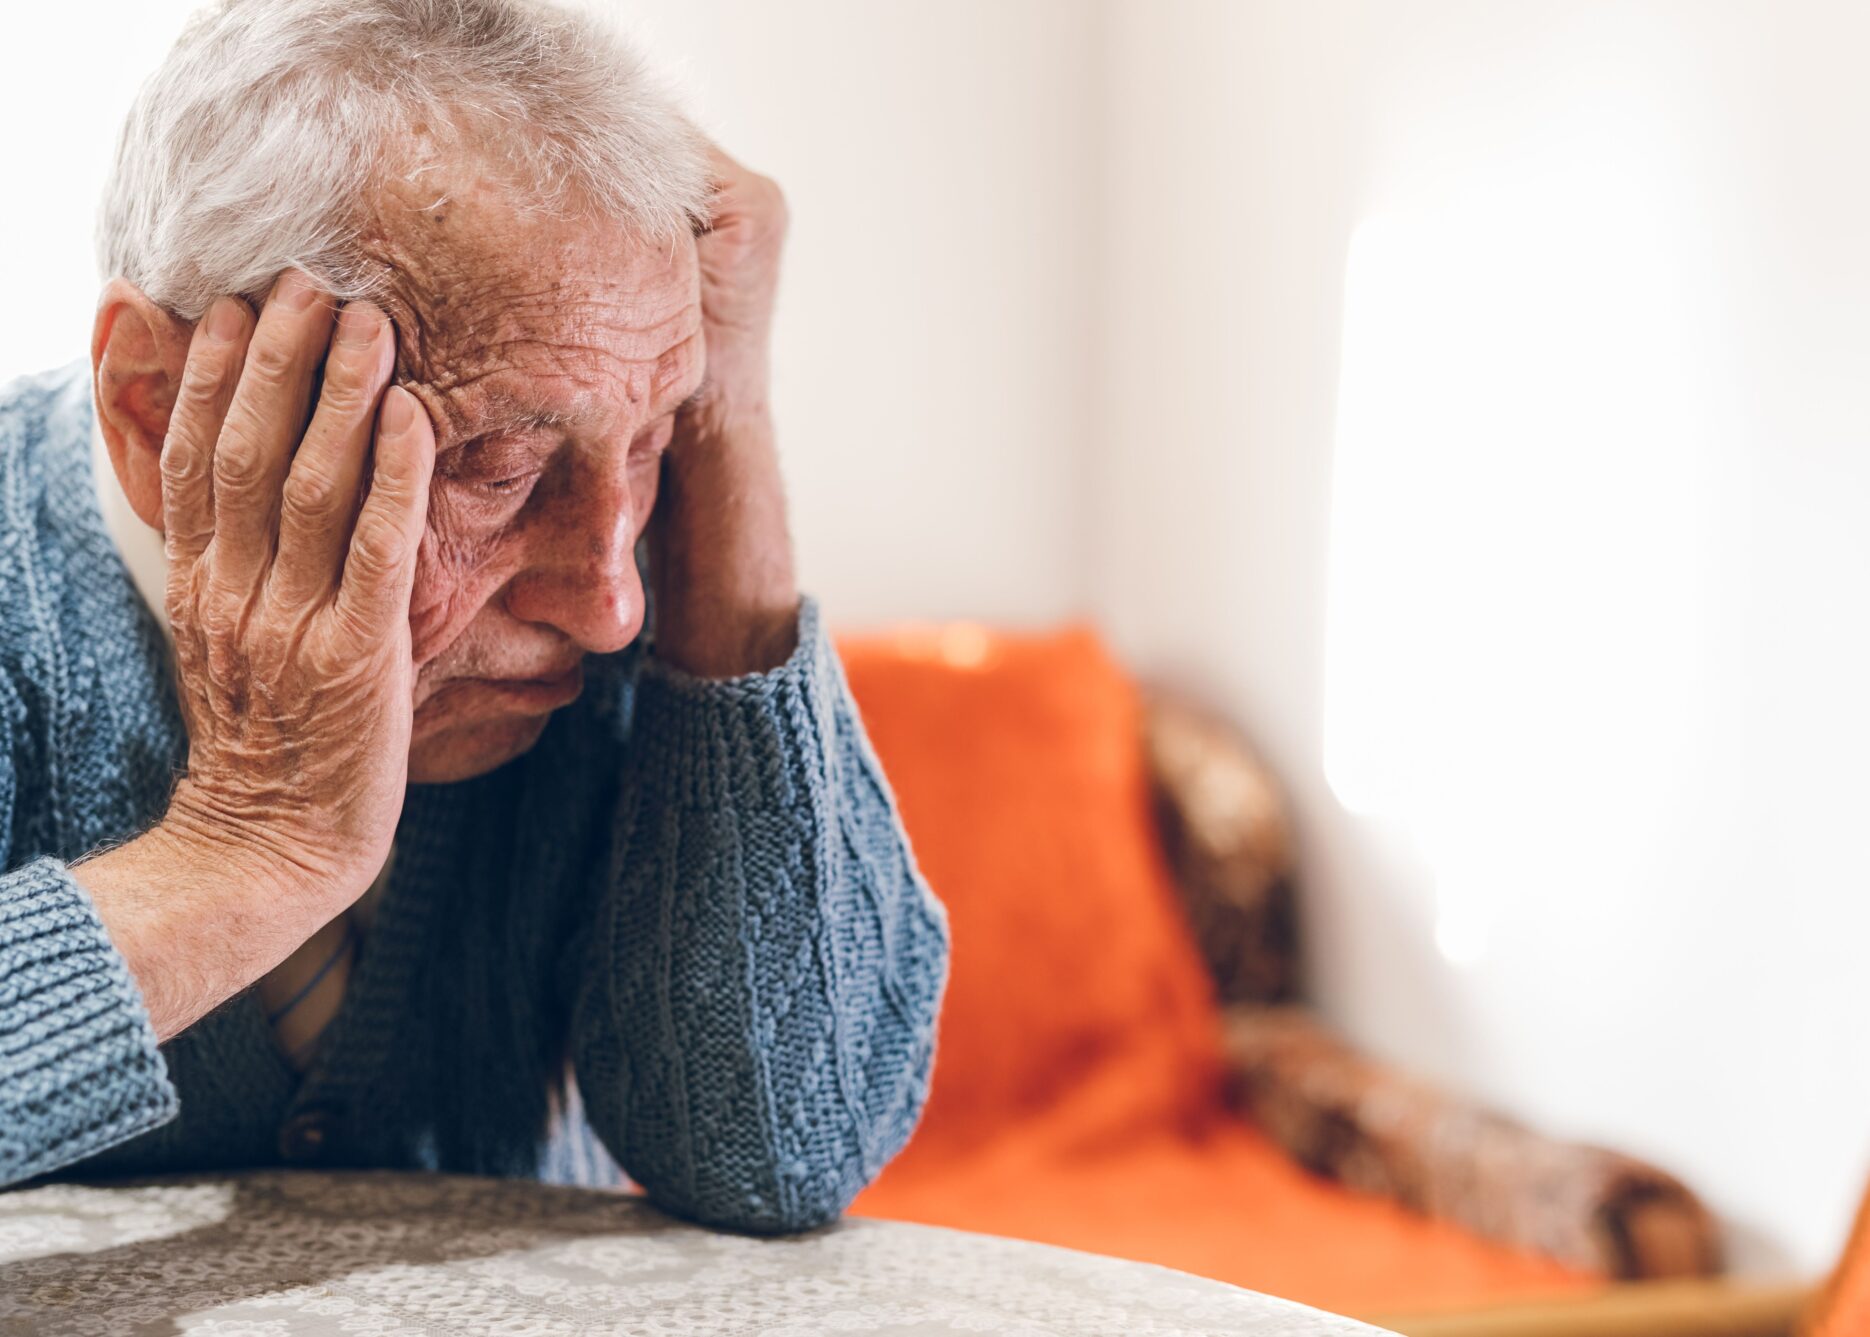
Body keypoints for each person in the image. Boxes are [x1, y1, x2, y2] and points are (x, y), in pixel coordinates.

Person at [0, 0, 949, 1234]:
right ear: (151, 405)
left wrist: (727, 434)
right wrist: (253, 844)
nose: (609, 604)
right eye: (499, 467)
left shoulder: (606, 615)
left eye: (652, 439)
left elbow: (779, 1147)